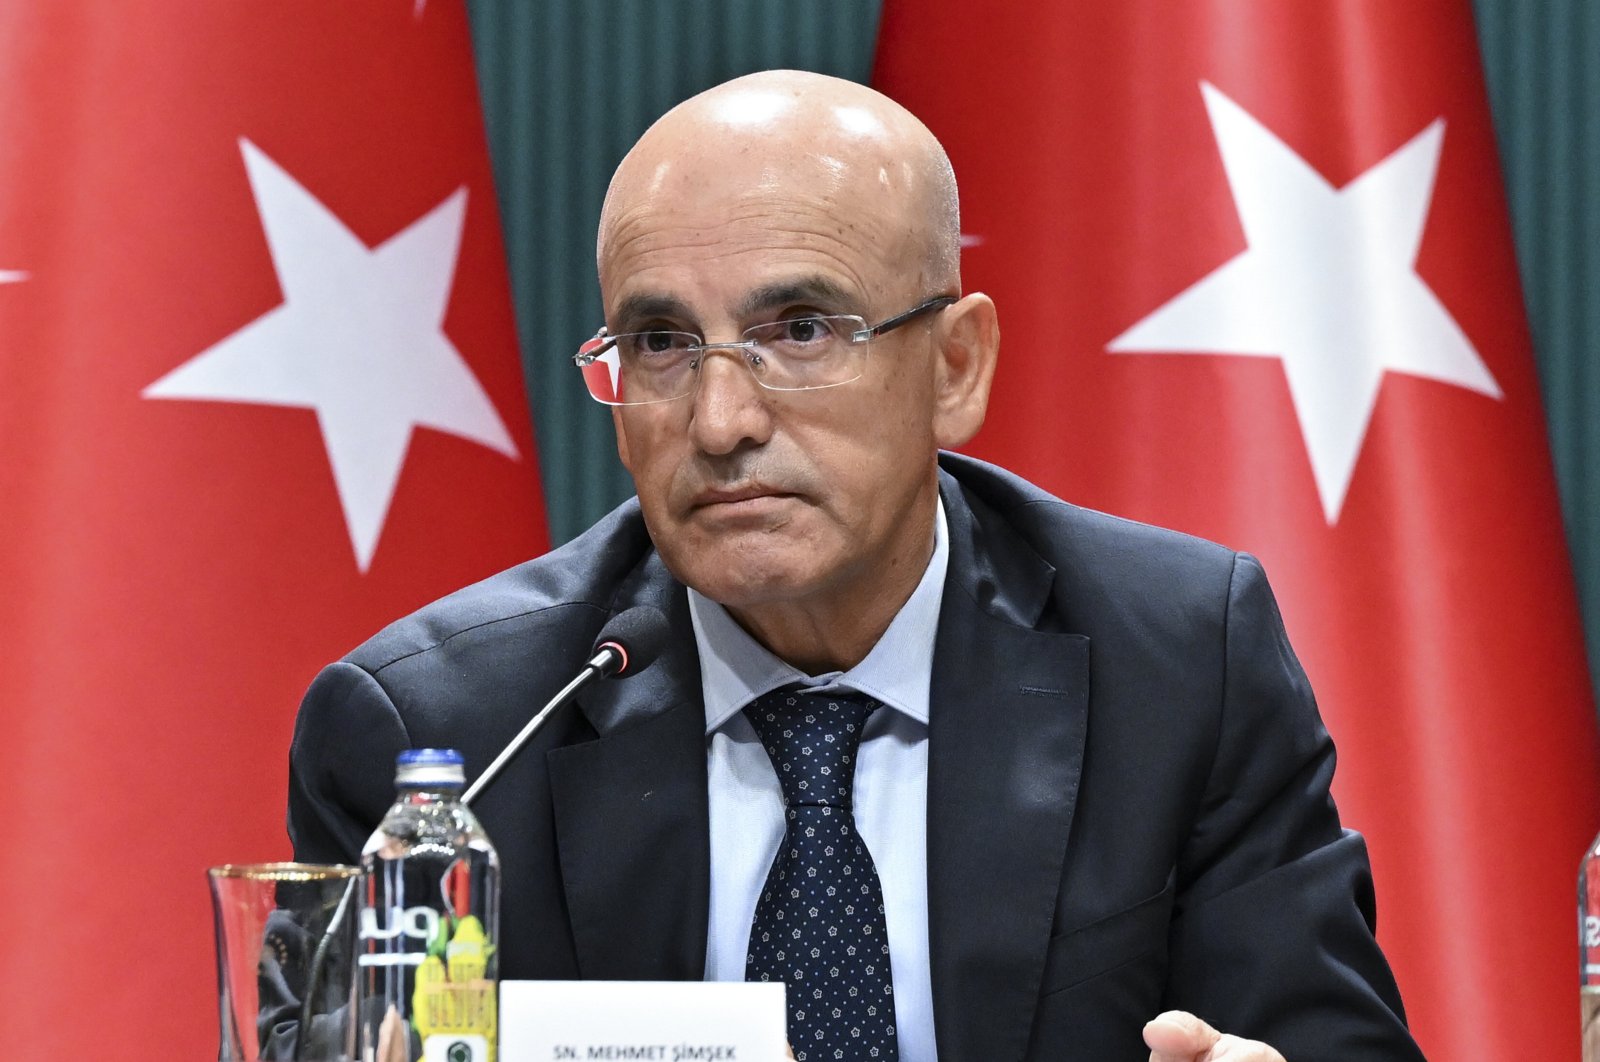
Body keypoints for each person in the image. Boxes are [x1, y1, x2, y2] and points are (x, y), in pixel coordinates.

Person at [289, 70, 1425, 1062]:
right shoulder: (443, 737)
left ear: (956, 367)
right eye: (662, 345)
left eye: (800, 331)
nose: (723, 420)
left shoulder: (1175, 665)